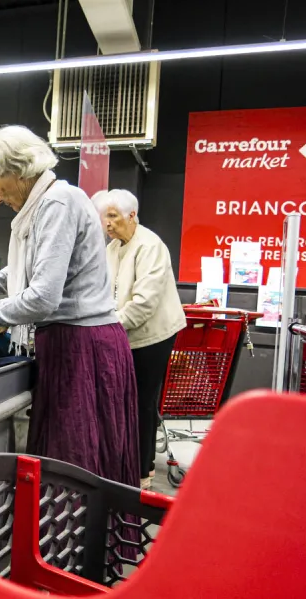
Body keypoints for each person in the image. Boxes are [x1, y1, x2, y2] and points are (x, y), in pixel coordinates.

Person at [0, 125, 139, 487]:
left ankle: (73, 542)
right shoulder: (47, 203)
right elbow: (34, 263)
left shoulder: (56, 203)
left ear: (19, 171)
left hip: (81, 347)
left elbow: (44, 295)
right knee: (76, 454)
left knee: (73, 460)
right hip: (75, 343)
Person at [92, 189, 187, 489]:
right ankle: (122, 464)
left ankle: (141, 473)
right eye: (104, 217)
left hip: (152, 336)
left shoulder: (150, 246)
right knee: (121, 402)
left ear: (132, 215)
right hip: (124, 333)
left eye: (113, 216)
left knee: (142, 403)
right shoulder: (112, 248)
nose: (106, 224)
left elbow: (144, 303)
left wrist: (108, 328)